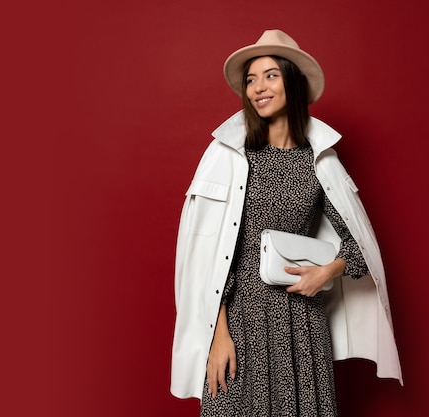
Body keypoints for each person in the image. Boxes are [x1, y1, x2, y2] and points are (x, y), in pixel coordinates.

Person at [171, 29, 402, 416]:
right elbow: (205, 254)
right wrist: (216, 335)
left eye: (270, 75)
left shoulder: (319, 161)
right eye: (251, 79)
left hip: (302, 321)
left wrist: (327, 271)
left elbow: (359, 243)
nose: (258, 87)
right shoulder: (229, 156)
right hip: (240, 318)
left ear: (292, 83)